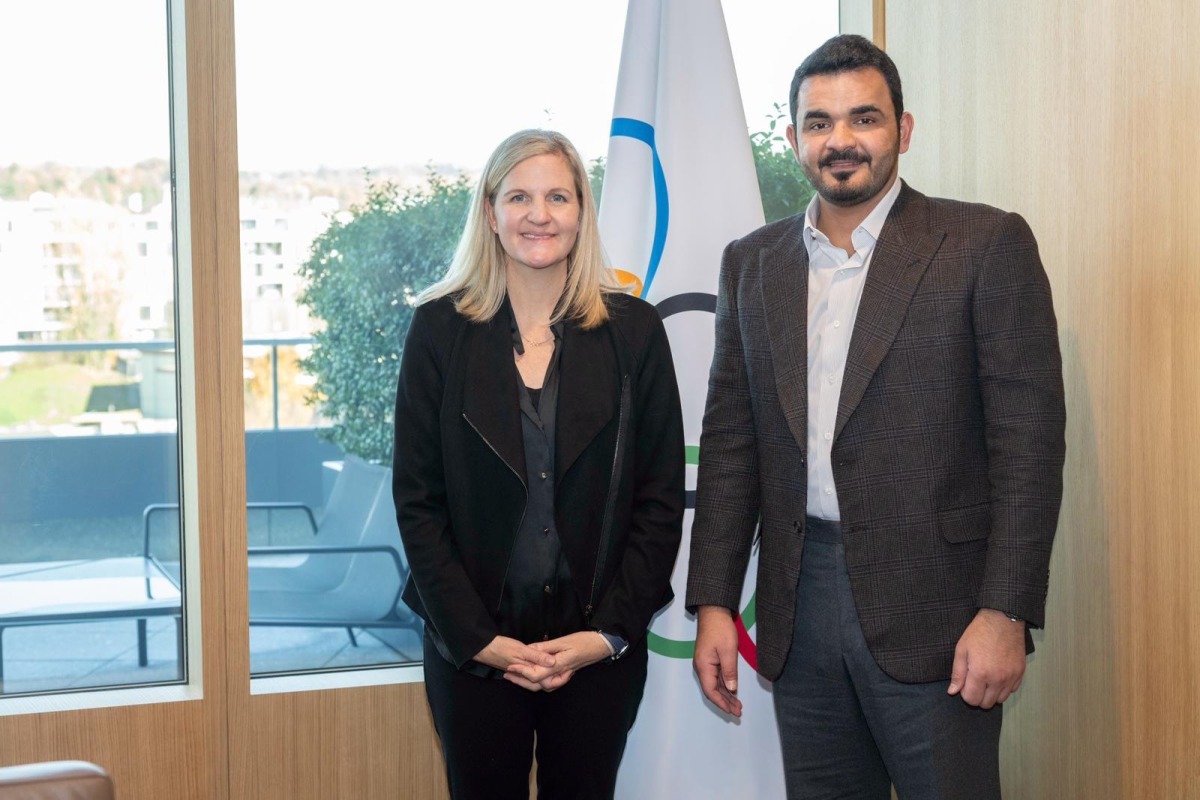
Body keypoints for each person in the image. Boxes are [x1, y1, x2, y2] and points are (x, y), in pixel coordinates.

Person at [686, 35, 1066, 798]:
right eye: (819, 123)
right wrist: (715, 602)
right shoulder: (751, 263)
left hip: (944, 610)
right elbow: (732, 445)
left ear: (904, 129)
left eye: (864, 118)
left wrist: (1005, 611)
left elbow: (1028, 446)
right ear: (793, 139)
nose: (841, 141)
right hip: (801, 600)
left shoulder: (983, 244)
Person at [392, 129, 685, 800]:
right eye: (519, 196)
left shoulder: (635, 333)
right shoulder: (438, 331)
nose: (539, 214)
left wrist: (606, 635)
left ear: (582, 211)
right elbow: (417, 501)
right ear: (490, 213)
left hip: (596, 652)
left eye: (558, 196)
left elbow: (660, 501)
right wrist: (478, 640)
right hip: (474, 653)